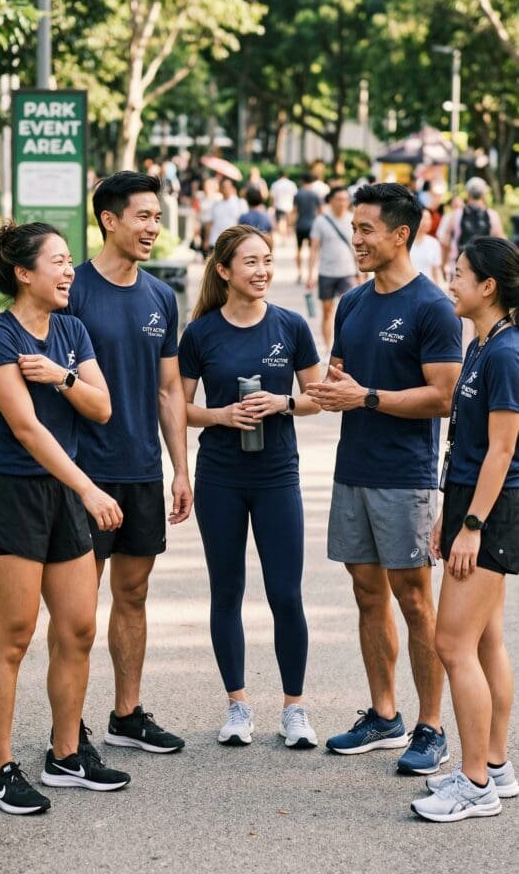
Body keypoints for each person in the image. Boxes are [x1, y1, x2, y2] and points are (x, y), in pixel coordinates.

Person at [0, 221, 130, 816]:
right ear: (23, 273)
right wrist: (89, 489)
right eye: (58, 261)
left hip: (63, 492)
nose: (69, 271)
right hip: (14, 494)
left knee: (78, 629)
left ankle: (66, 755)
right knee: (13, 637)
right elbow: (26, 429)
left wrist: (60, 375)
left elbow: (102, 406)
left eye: (69, 261)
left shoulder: (70, 330)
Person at [306, 183, 462, 775]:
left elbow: (443, 397)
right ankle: (384, 715)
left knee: (414, 600)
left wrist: (366, 396)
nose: (356, 239)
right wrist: (327, 391)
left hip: (405, 474)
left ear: (401, 234)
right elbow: (340, 377)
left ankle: (431, 726)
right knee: (367, 593)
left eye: (366, 229)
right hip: (353, 468)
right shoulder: (351, 303)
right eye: (354, 227)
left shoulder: (432, 307)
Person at [48, 171, 193, 757]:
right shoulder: (73, 291)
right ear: (109, 220)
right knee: (77, 611)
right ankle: (68, 730)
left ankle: (126, 715)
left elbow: (168, 389)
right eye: (143, 216)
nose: (153, 227)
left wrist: (180, 468)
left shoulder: (161, 297)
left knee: (133, 595)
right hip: (85, 474)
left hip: (141, 470)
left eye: (157, 217)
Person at [178, 225, 322, 749]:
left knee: (286, 593)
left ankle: (294, 709)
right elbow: (177, 407)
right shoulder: (200, 334)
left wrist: (283, 403)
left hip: (277, 475)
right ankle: (237, 705)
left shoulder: (290, 325)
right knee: (227, 591)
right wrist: (220, 415)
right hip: (219, 477)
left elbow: (318, 396)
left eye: (267, 260)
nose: (262, 271)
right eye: (250, 262)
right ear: (224, 271)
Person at [411, 236, 519, 822]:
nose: (449, 282)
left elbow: (502, 451)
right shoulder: (481, 343)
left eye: (458, 274)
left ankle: (475, 783)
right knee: (484, 640)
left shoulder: (506, 353)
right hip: (468, 503)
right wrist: (448, 515)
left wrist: (471, 526)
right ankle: (495, 766)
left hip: (490, 511)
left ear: (488, 286)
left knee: (452, 644)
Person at [306, 186, 357, 354]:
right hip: (326, 272)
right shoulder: (321, 221)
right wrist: (310, 274)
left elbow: (359, 246)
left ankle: (345, 348)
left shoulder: (353, 219)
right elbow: (314, 249)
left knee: (348, 312)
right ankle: (329, 348)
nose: (342, 203)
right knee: (327, 312)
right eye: (339, 199)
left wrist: (362, 272)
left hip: (348, 272)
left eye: (345, 199)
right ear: (331, 201)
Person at [439, 177, 504, 276]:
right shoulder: (492, 216)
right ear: (484, 194)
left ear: (468, 193)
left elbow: (445, 243)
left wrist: (443, 265)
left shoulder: (457, 214)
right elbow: (500, 244)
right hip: (483, 271)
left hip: (459, 269)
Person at [293, 173, 320, 283]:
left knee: (299, 249)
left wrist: (291, 224)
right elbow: (321, 211)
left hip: (300, 224)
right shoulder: (315, 194)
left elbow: (294, 211)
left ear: (302, 181)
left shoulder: (298, 194)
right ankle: (311, 274)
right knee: (312, 250)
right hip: (313, 225)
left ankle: (299, 273)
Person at [410, 207, 445, 286]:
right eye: (424, 218)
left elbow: (436, 271)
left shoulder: (434, 243)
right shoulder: (406, 243)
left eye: (429, 219)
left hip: (427, 288)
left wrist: (441, 288)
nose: (427, 222)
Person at [209, 177, 244, 249]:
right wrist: (207, 239)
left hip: (232, 241)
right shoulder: (216, 204)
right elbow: (211, 223)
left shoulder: (239, 203)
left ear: (232, 188)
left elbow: (242, 223)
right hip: (215, 240)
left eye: (228, 187)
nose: (225, 189)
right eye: (223, 187)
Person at [270, 170, 298, 241]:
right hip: (290, 206)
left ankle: (283, 237)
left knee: (281, 222)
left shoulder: (275, 184)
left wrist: (272, 206)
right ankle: (288, 237)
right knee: (289, 223)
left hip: (279, 205)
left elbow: (272, 197)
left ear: (279, 176)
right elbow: (295, 196)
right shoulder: (292, 184)